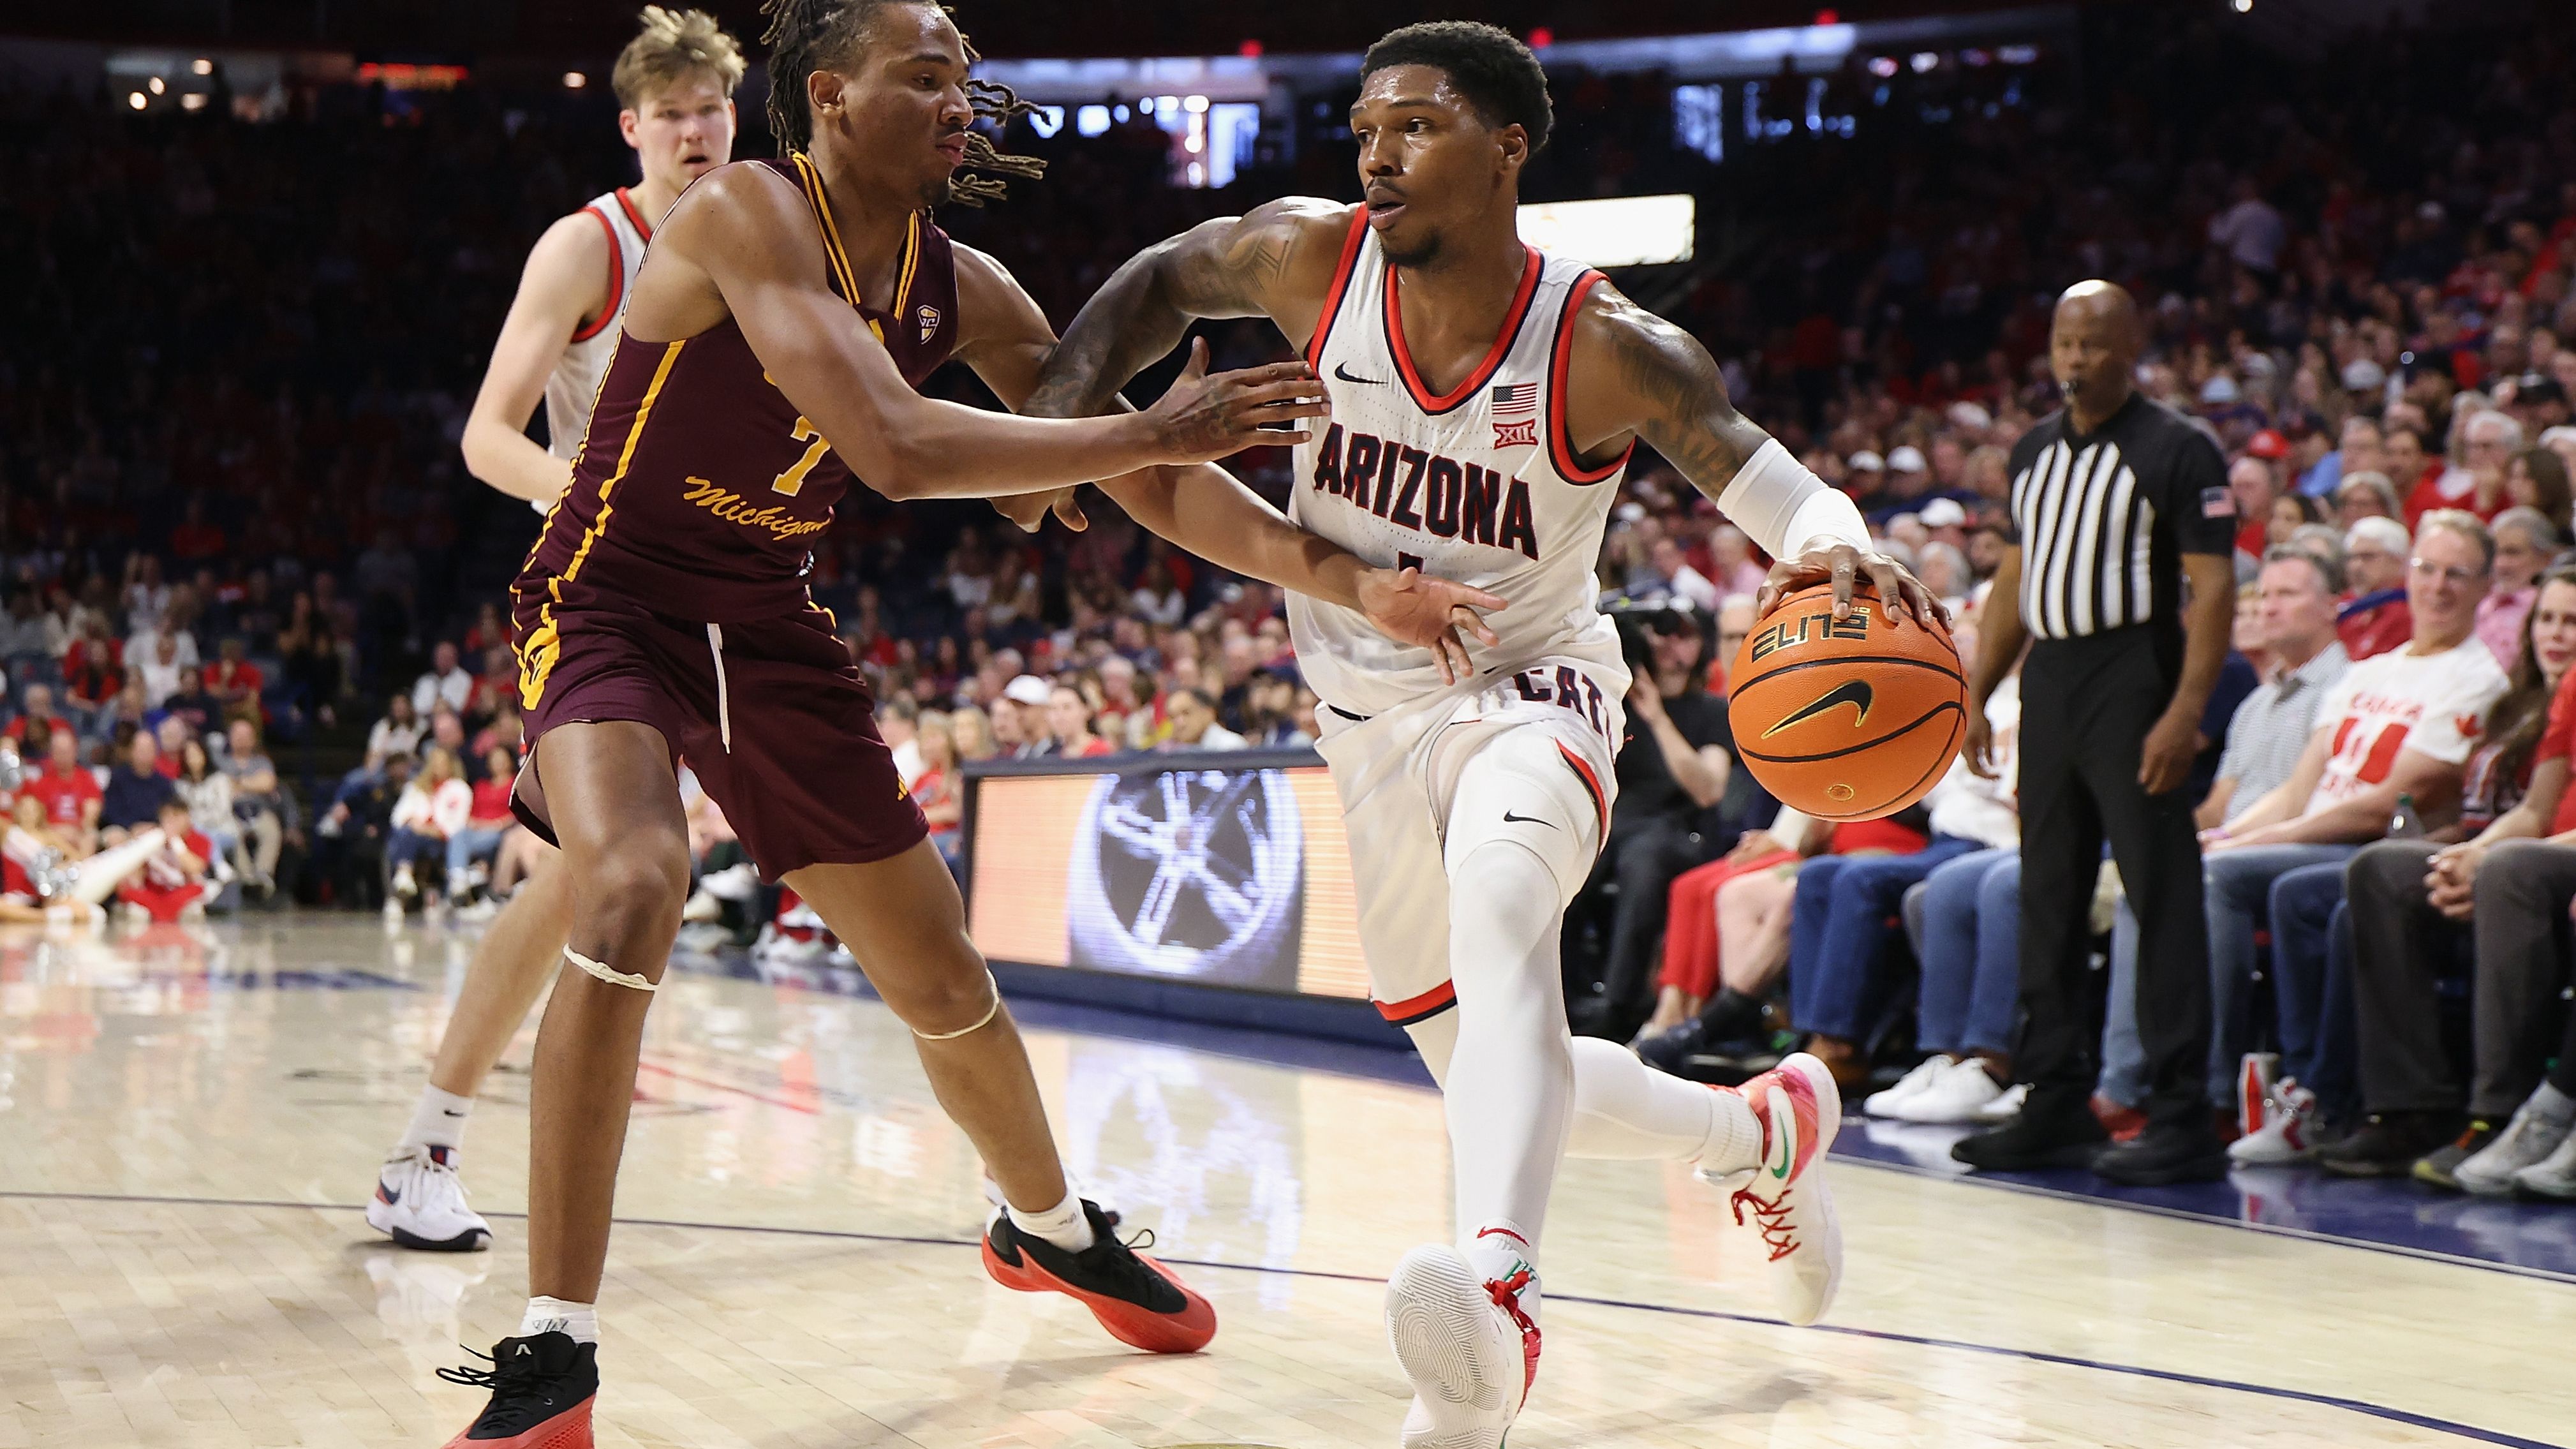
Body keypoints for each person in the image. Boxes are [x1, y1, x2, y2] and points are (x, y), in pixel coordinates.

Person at [433, 4, 1507, 1443]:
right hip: (612, 592)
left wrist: (1352, 575)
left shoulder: (971, 285)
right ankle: (553, 1340)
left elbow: (1153, 483)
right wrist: (1147, 429)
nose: (960, 101)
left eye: (965, 78)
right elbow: (893, 444)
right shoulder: (749, 209)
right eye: (924, 77)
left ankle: (1047, 1226)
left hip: (764, 618)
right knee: (631, 876)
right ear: (827, 97)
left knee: (942, 974)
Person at [1023, 23, 1941, 1444]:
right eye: (1367, 129)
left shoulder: (1608, 346)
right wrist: (1061, 409)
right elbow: (1154, 283)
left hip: (1532, 683)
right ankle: (1763, 1133)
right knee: (1507, 1069)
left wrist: (1840, 548)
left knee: (1504, 908)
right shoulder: (1302, 259)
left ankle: (1500, 1297)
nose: (1376, 152)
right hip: (1365, 709)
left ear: (1508, 148)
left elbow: (1775, 487)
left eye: (1417, 125)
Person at [367, 5, 748, 1261]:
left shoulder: (769, 232)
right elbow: (486, 437)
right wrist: (589, 497)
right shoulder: (589, 247)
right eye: (673, 114)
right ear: (634, 127)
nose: (696, 132)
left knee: (590, 872)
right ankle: (428, 1143)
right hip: (601, 594)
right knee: (604, 869)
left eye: (714, 109)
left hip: (728, 592)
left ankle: (424, 1144)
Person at [1953, 280, 2240, 1187]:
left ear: (2130, 347)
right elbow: (2012, 580)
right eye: (2062, 343)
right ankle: (2054, 1093)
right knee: (2047, 891)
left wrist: (2185, 710)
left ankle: (2179, 1109)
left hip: (2133, 674)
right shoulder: (2032, 451)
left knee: (2160, 896)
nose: (2073, 359)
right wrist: (1974, 694)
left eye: (2091, 343)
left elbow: (2215, 587)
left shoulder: (2179, 446)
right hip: (2052, 677)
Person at [2202, 510, 2509, 1143]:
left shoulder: (2481, 679)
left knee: (2247, 884)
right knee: (2207, 863)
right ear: (2409, 576)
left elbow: (2385, 803)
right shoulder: (2368, 672)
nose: (2439, 586)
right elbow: (2297, 790)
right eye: (2428, 569)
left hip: (2382, 844)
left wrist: (2258, 843)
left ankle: (2275, 1092)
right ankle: (2240, 1087)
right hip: (2315, 834)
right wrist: (2228, 835)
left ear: (2484, 587)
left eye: (2458, 574)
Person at [2334, 565, 2576, 1183]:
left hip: (2548, 863)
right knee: (2385, 869)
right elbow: (2534, 810)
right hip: (2542, 850)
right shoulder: (2567, 690)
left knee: (2513, 871)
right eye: (2547, 618)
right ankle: (2409, 1107)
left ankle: (2500, 1113)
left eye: (2571, 621)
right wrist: (2470, 854)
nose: (2557, 633)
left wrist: (2493, 860)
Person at [1564, 610, 1731, 1041]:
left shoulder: (1712, 710)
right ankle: (1560, 998)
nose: (1670, 647)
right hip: (1615, 820)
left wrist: (1657, 716)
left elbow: (1709, 788)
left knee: (1644, 862)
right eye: (1660, 635)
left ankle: (1619, 1005)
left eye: (1683, 636)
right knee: (1562, 862)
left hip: (1677, 826)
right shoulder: (1615, 704)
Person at [2195, 549, 2353, 830]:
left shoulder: (2350, 690)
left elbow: (2305, 804)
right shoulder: (2255, 703)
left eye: (2287, 594)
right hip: (2228, 848)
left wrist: (2226, 842)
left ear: (2331, 607)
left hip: (2290, 847)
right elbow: (2218, 807)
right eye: (2264, 596)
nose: (2268, 609)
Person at [118, 798, 214, 925]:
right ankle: (160, 913)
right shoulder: (150, 836)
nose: (170, 821)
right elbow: (134, 872)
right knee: (128, 892)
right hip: (153, 892)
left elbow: (196, 868)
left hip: (180, 891)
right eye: (166, 816)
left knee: (196, 892)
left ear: (187, 818)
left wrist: (175, 842)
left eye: (176, 816)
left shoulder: (200, 840)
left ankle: (162, 913)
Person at [2337, 516, 2413, 661]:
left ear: (2398, 560)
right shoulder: (2345, 606)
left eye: (2367, 557)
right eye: (2352, 558)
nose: (2356, 566)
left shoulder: (2411, 610)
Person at [1044, 683, 1114, 757]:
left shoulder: (1101, 752)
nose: (1059, 715)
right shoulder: (1051, 754)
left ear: (1086, 710)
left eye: (1067, 707)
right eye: (1053, 708)